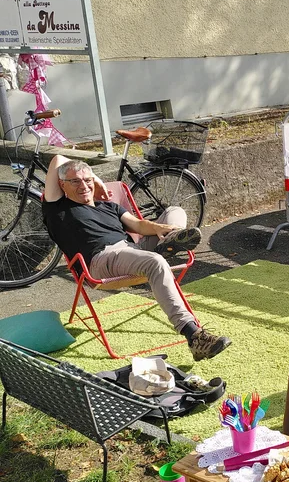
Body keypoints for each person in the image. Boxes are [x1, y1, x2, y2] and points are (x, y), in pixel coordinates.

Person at [42, 154, 231, 361]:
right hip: (102, 259)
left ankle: (169, 241)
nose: (84, 186)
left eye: (87, 181)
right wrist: (96, 178)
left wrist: (161, 228)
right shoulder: (57, 208)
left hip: (132, 249)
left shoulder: (109, 207)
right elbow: (57, 159)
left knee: (174, 211)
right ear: (62, 185)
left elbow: (139, 226)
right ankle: (193, 335)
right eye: (75, 181)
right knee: (155, 262)